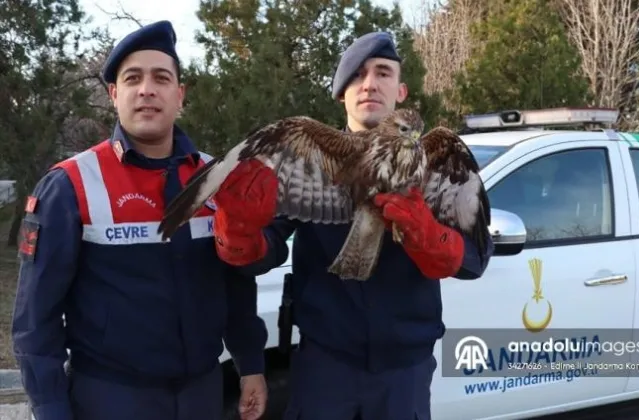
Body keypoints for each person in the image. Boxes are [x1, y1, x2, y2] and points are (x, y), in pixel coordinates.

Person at [210, 31, 494, 420]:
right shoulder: (311, 156)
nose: (370, 84)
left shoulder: (437, 157)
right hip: (326, 370)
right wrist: (238, 232)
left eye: (382, 73)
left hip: (403, 375)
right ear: (341, 93)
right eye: (357, 76)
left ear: (401, 90)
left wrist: (431, 236)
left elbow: (475, 257)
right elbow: (266, 249)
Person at [11, 20, 274, 420]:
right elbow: (35, 321)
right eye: (133, 78)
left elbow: (236, 286)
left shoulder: (219, 178)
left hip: (201, 394)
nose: (147, 89)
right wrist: (50, 409)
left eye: (161, 78)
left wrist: (250, 364)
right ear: (115, 95)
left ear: (180, 95)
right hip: (111, 399)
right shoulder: (71, 185)